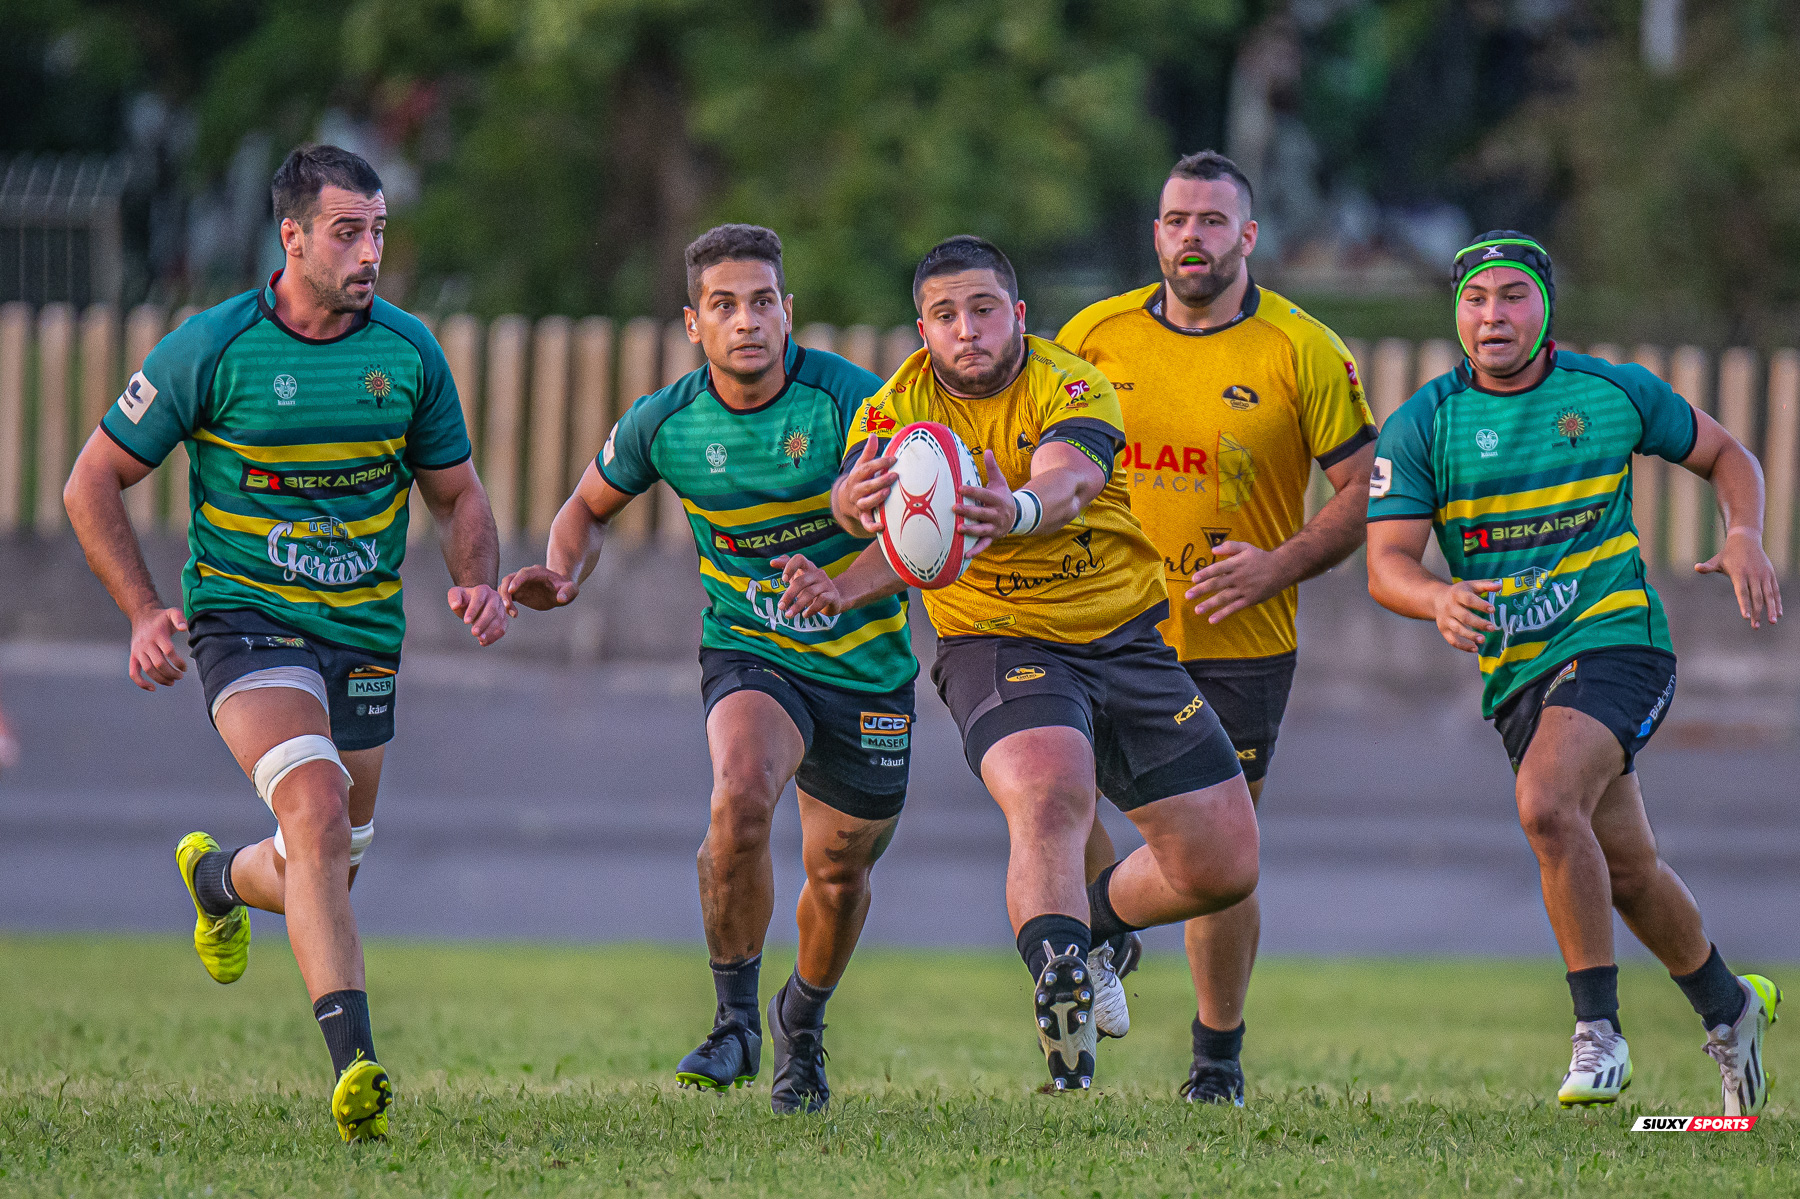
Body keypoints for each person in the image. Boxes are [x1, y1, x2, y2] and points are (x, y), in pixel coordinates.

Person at [62, 144, 508, 1142]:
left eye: (380, 230)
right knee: (313, 807)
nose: (370, 252)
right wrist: (143, 610)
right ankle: (356, 1066)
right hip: (243, 620)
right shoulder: (211, 347)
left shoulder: (408, 354)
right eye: (348, 231)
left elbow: (458, 494)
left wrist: (475, 578)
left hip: (363, 636)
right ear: (292, 236)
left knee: (328, 860)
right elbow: (90, 482)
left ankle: (219, 877)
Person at [785, 234, 1259, 1093]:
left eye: (983, 309)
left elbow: (1071, 480)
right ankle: (1062, 972)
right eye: (944, 315)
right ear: (921, 329)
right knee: (1050, 788)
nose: (966, 330)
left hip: (1122, 633)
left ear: (1019, 316)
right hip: (995, 640)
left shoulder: (1071, 381)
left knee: (1223, 863)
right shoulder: (897, 411)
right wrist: (844, 519)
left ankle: (1095, 923)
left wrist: (1018, 507)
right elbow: (894, 528)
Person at [500, 225, 913, 1115]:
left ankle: (801, 1019)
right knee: (739, 792)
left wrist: (842, 578)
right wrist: (564, 574)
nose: (747, 321)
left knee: (840, 873)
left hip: (866, 667)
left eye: (762, 301)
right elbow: (586, 506)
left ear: (788, 310)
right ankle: (735, 1023)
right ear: (693, 323)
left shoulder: (854, 401)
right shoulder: (668, 420)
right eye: (724, 306)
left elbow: (920, 537)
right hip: (752, 649)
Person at [1365, 231, 1781, 1114]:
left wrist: (1742, 532)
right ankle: (1729, 1005)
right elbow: (1386, 562)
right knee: (1625, 868)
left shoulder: (1608, 391)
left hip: (1620, 639)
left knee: (1547, 803)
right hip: (1518, 674)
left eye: (1513, 296)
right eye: (1477, 300)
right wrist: (1433, 598)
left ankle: (1599, 1033)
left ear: (1546, 306)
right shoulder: (1425, 422)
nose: (1493, 316)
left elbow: (1728, 457)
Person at [1056, 149, 1378, 1104]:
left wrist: (1278, 563)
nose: (1189, 237)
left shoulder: (1301, 348)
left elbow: (1367, 491)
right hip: (1099, 627)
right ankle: (1098, 925)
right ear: (1155, 232)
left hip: (1239, 646)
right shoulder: (1095, 336)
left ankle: (1215, 1059)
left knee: (1219, 866)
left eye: (1210, 221)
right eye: (1173, 219)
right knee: (1057, 798)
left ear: (1247, 235)